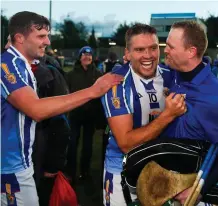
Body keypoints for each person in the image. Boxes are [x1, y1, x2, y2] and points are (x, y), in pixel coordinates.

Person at [1, 11, 123, 206]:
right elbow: (36, 109)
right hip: (10, 169)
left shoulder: (23, 65)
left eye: (47, 36)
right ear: (19, 38)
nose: (47, 42)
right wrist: (93, 91)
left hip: (19, 165)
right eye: (41, 36)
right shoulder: (8, 65)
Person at [101, 23, 186, 206]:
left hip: (164, 168)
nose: (148, 56)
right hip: (122, 170)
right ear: (127, 53)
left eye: (153, 48)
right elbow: (125, 143)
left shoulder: (173, 77)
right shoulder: (115, 84)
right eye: (139, 49)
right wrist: (167, 115)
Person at [162, 20, 218, 205]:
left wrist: (200, 189)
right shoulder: (174, 74)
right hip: (167, 182)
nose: (165, 50)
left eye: (171, 46)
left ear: (191, 51)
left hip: (191, 193)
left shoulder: (212, 96)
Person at [66, 46, 106, 181]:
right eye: (84, 54)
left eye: (89, 55)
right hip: (75, 115)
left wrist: (100, 118)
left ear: (93, 58)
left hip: (90, 116)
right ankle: (70, 172)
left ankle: (85, 172)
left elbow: (102, 97)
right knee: (72, 145)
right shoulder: (70, 75)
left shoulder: (98, 75)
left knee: (88, 146)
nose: (86, 57)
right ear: (79, 57)